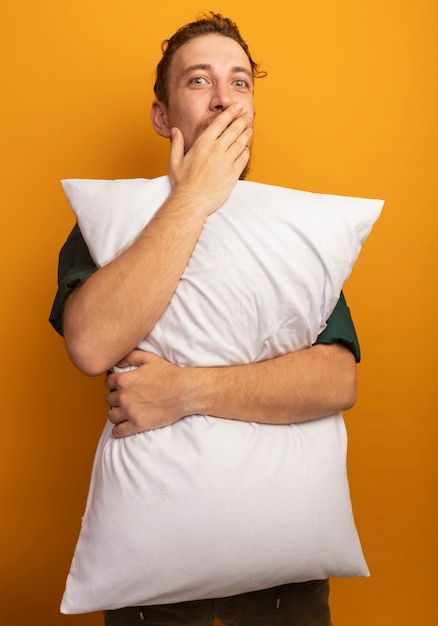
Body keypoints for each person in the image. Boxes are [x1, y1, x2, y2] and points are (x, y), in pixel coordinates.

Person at [50, 12, 360, 626]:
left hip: (283, 591)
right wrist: (193, 197)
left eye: (240, 82)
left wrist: (184, 390)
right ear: (163, 116)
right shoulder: (112, 222)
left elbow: (336, 381)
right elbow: (90, 344)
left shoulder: (295, 234)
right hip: (154, 588)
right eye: (198, 81)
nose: (224, 99)